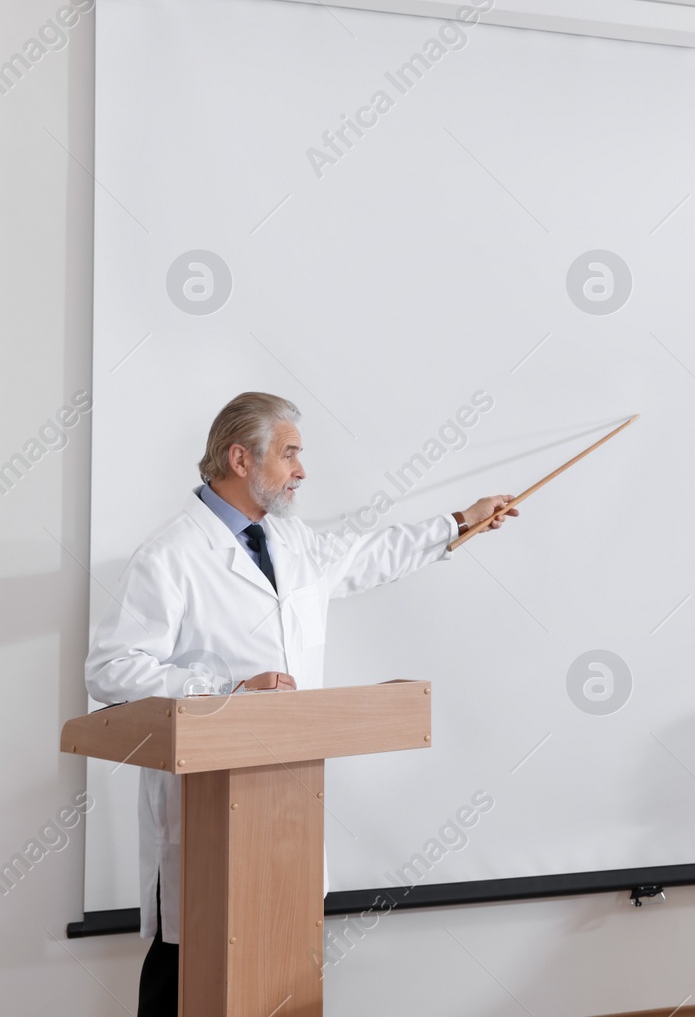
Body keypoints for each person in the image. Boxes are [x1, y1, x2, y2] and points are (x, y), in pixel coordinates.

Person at [84, 392, 521, 1017]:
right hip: (204, 813)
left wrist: (460, 521)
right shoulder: (171, 555)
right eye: (290, 453)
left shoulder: (290, 543)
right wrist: (226, 692)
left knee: (277, 972)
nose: (302, 469)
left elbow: (371, 555)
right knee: (184, 980)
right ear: (241, 457)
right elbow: (110, 668)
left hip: (284, 805)